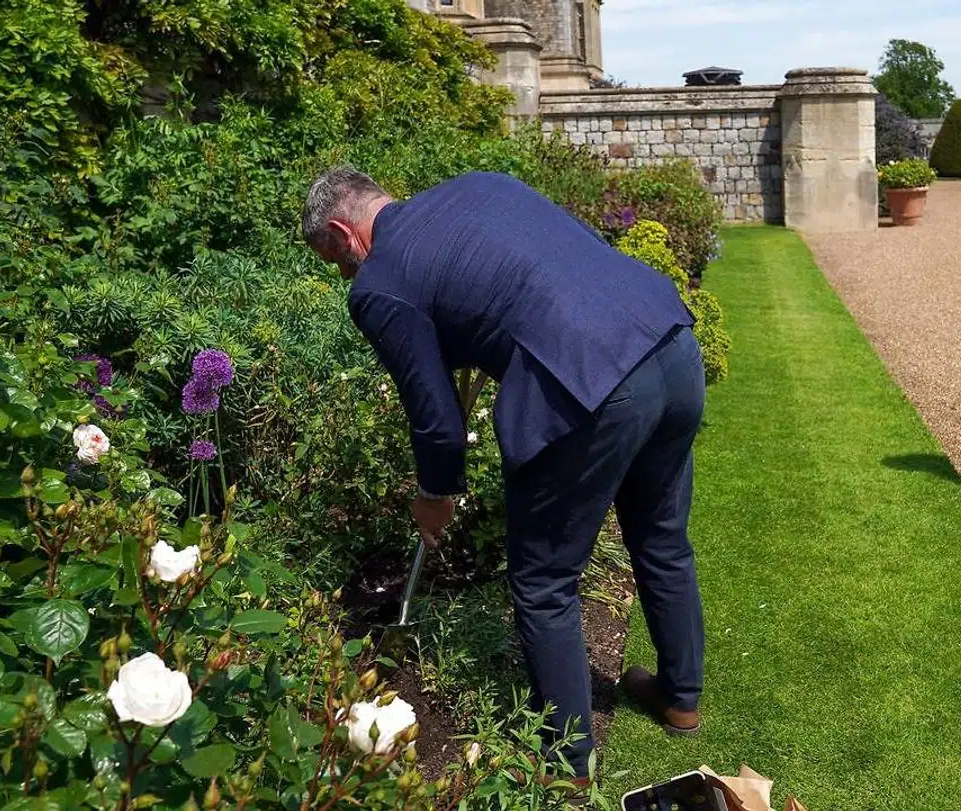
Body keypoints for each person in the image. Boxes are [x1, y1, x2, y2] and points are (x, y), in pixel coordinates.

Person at [301, 167, 707, 784]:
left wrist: (435, 493)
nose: (343, 275)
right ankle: (680, 698)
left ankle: (567, 763)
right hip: (668, 341)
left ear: (342, 231)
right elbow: (539, 275)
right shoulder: (478, 185)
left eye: (336, 260)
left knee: (544, 579)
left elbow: (436, 421)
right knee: (660, 535)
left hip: (592, 382)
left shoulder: (378, 283)